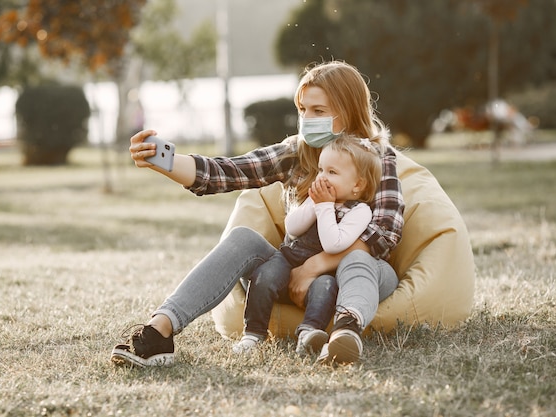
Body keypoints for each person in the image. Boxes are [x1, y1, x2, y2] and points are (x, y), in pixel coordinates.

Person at [110, 60, 404, 367]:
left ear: (348, 112)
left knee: (360, 258)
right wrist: (165, 162)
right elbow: (228, 171)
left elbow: (384, 235)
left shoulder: (379, 158)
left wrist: (315, 266)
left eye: (318, 111)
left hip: (356, 281)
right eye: (303, 110)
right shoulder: (296, 153)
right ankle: (160, 331)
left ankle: (346, 333)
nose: (306, 119)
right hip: (289, 276)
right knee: (242, 239)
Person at [232, 134, 383, 357]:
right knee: (265, 275)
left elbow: (334, 244)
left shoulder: (360, 211)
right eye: (321, 170)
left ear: (357, 185)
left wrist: (324, 207)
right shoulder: (317, 197)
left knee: (325, 289)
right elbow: (292, 227)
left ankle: (309, 333)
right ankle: (253, 332)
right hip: (290, 256)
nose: (322, 177)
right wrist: (315, 204)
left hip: (323, 272)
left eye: (332, 172)